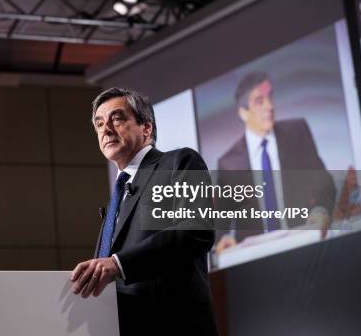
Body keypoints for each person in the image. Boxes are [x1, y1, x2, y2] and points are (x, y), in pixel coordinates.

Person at [70, 87, 218, 336]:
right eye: (99, 123)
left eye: (116, 118)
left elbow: (196, 231)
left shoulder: (179, 162)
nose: (105, 129)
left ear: (146, 128)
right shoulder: (118, 194)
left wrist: (118, 264)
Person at [215, 71, 336, 253]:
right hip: (256, 261)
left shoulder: (298, 132)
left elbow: (323, 181)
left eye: (270, 97)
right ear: (243, 113)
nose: (269, 106)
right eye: (259, 101)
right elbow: (220, 218)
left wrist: (320, 210)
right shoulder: (228, 163)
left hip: (304, 245)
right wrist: (222, 238)